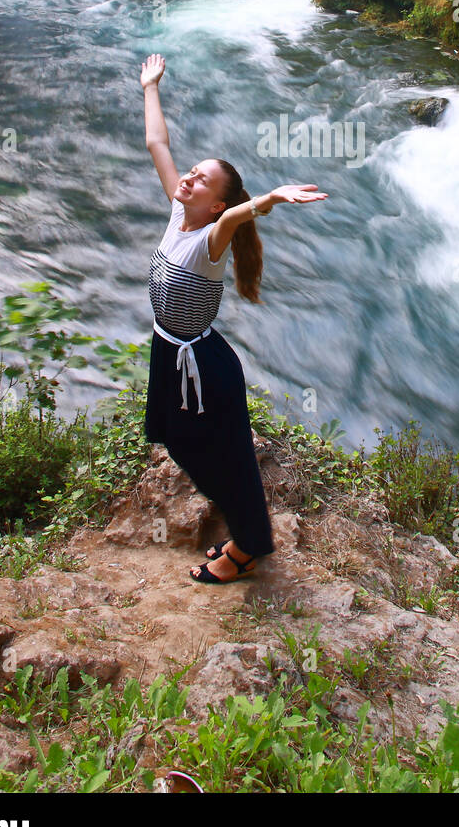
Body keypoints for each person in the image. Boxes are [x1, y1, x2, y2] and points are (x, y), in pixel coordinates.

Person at [140, 52, 327, 584]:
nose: (189, 180)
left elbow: (241, 214)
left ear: (216, 203)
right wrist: (150, 87)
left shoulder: (209, 240)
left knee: (224, 457)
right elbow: (159, 145)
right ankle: (248, 533)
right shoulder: (180, 213)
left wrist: (268, 198)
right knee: (181, 444)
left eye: (200, 181)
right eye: (193, 173)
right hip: (171, 350)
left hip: (201, 362)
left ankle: (246, 547)